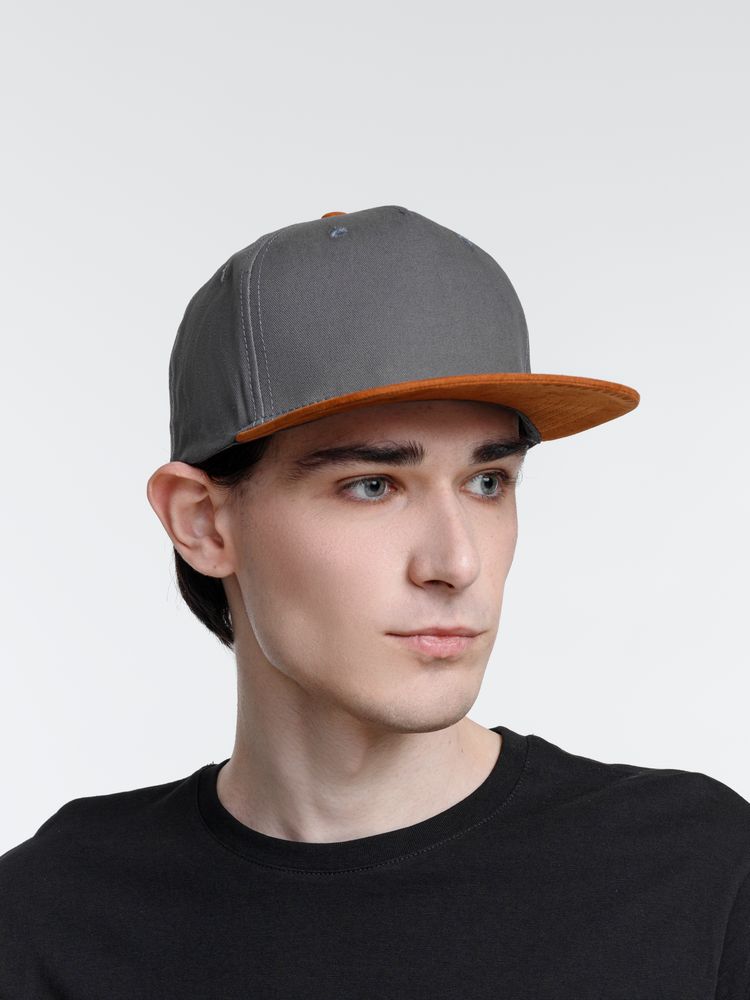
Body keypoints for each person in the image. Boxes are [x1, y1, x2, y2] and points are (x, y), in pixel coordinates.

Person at [1, 205, 748, 997]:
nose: (456, 563)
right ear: (203, 523)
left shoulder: (695, 874)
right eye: (372, 485)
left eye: (487, 481)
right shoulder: (53, 917)